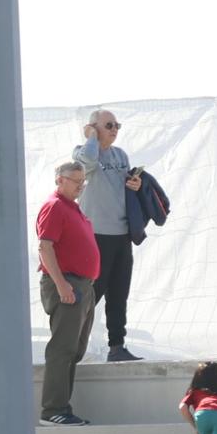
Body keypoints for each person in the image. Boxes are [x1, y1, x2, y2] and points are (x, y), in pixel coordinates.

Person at [72, 109, 143, 362]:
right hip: (96, 236)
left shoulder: (120, 155)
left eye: (117, 125)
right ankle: (71, 344)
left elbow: (124, 186)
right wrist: (91, 137)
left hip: (122, 235)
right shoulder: (82, 152)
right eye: (109, 125)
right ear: (93, 127)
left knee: (119, 293)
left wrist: (136, 185)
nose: (114, 129)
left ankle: (117, 347)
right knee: (92, 293)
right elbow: (88, 163)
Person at [35, 161, 101, 427]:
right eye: (76, 181)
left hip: (82, 286)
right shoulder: (55, 206)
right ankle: (53, 409)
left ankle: (62, 408)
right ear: (60, 180)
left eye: (83, 181)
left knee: (75, 349)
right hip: (67, 284)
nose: (80, 186)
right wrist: (62, 284)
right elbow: (45, 246)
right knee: (63, 348)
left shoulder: (73, 209)